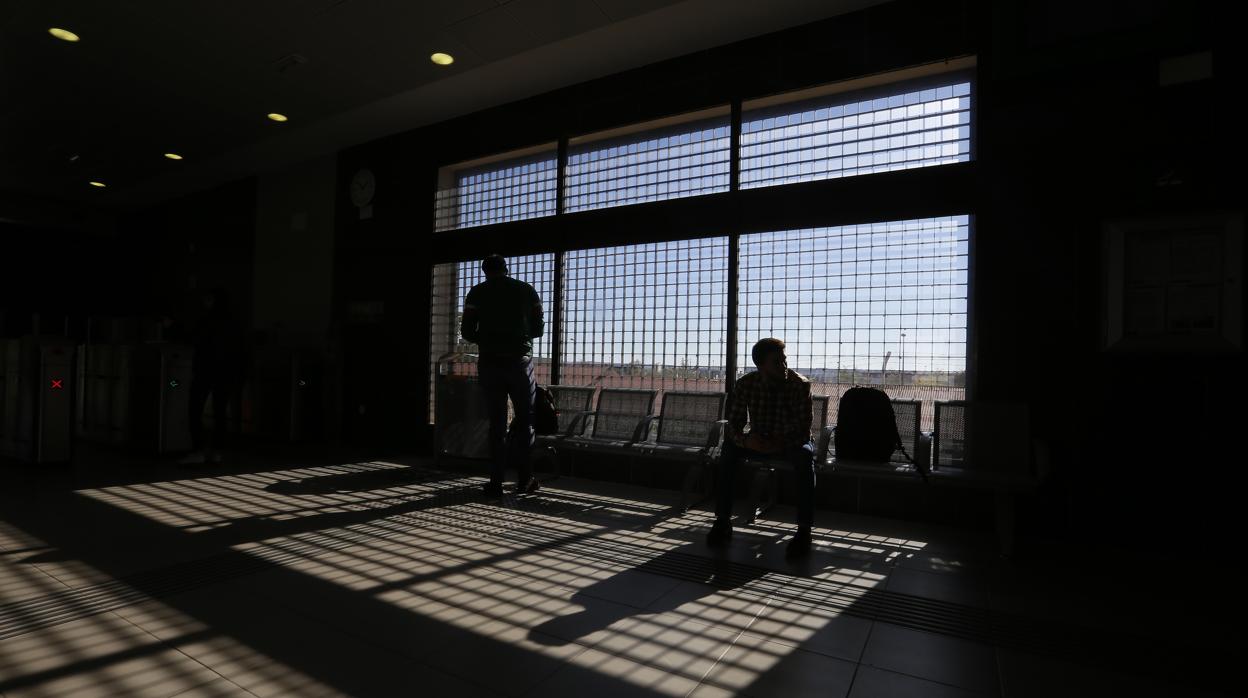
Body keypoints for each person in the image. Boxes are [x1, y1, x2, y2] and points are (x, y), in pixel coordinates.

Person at [707, 338, 816, 558]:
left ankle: (804, 529)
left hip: (790, 441)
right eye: (777, 362)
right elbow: (733, 424)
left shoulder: (799, 385)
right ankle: (723, 520)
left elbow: (803, 428)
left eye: (784, 360)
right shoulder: (746, 384)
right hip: (759, 440)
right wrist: (747, 441)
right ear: (761, 366)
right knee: (729, 452)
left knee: (804, 457)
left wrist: (779, 441)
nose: (784, 366)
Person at [460, 255, 544, 497]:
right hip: (520, 362)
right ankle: (525, 479)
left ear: (484, 271)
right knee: (525, 421)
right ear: (506, 269)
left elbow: (467, 331)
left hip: (490, 363)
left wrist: (487, 340)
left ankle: (495, 482)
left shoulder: (476, 293)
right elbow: (538, 329)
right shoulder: (526, 291)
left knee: (497, 424)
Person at [181, 288, 246, 464]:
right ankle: (218, 451)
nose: (205, 302)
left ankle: (198, 451)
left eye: (208, 299)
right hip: (226, 372)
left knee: (195, 410)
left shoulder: (206, 320)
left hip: (205, 370)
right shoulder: (233, 322)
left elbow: (193, 339)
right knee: (220, 412)